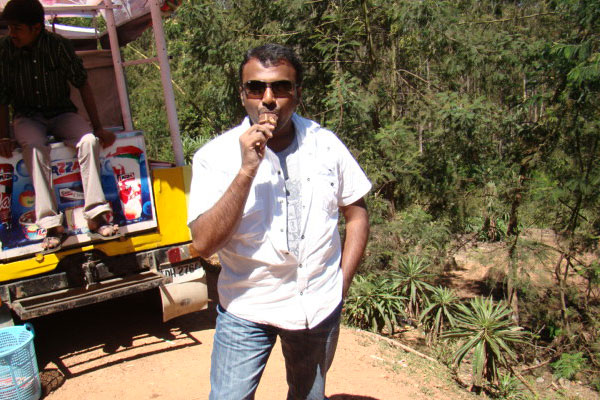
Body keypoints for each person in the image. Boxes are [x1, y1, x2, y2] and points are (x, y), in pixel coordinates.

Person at [188, 43, 371, 400]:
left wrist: (341, 284)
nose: (268, 99)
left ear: (297, 93)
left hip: (317, 306)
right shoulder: (215, 157)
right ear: (243, 94)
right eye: (256, 88)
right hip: (246, 306)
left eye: (281, 87)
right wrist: (246, 170)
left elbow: (357, 212)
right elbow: (204, 243)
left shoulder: (326, 145)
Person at [0, 0, 120, 253]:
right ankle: (52, 225)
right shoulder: (4, 51)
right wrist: (3, 136)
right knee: (34, 147)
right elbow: (2, 97)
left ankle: (96, 215)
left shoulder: (58, 46)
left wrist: (98, 127)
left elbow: (82, 83)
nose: (11, 33)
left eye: (17, 28)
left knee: (88, 141)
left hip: (62, 112)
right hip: (27, 116)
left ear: (36, 28)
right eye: (9, 27)